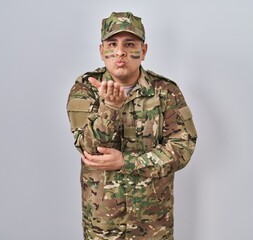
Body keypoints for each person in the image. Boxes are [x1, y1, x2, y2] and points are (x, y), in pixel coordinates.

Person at [66, 12, 197, 240]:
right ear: (101, 51)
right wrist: (109, 108)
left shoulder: (166, 91)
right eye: (112, 44)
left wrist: (127, 162)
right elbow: (89, 149)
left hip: (153, 225)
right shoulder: (85, 89)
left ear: (143, 51)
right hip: (103, 226)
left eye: (130, 44)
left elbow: (183, 147)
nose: (120, 52)